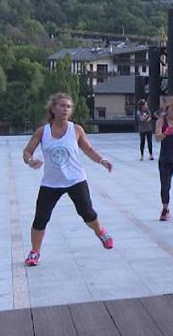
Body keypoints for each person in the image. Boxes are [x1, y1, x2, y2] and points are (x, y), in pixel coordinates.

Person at [20, 93, 115, 266]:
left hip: (75, 180)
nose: (66, 109)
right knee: (40, 218)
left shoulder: (76, 129)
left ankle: (100, 232)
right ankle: (35, 252)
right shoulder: (43, 131)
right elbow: (27, 152)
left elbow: (89, 149)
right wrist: (31, 161)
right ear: (53, 109)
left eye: (69, 107)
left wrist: (102, 160)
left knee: (87, 212)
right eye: (62, 106)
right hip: (51, 182)